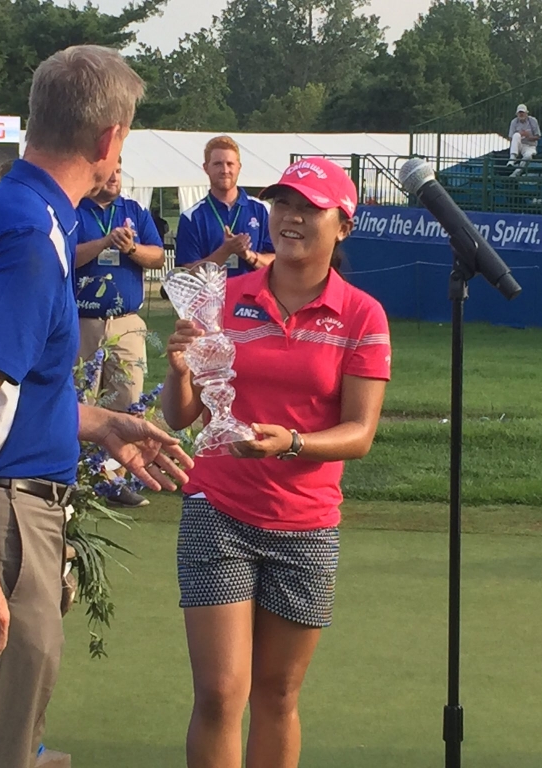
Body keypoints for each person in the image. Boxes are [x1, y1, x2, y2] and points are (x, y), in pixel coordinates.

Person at [0, 45, 193, 768]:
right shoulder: (32, 234)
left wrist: (95, 422)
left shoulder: (0, 208)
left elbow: (2, 388)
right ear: (108, 140)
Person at [161, 157, 391, 768]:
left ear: (342, 224)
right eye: (281, 204)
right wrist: (178, 366)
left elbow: (360, 433)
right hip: (220, 507)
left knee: (279, 696)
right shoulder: (225, 297)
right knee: (218, 694)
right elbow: (182, 416)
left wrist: (291, 442)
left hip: (306, 522)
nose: (288, 217)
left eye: (306, 207)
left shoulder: (363, 315)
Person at [75, 157, 166, 508]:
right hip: (83, 321)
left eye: (118, 170)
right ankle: (79, 479)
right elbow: (67, 256)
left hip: (126, 321)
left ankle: (114, 480)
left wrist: (129, 248)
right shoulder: (75, 208)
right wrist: (104, 243)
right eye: (108, 170)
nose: (114, 177)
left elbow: (158, 256)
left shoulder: (135, 211)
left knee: (128, 399)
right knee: (81, 402)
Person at [176, 135, 275, 278]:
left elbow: (279, 262)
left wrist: (249, 255)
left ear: (239, 167)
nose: (225, 170)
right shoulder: (192, 217)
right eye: (217, 164)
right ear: (206, 168)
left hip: (253, 299)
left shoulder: (262, 210)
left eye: (230, 164)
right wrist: (225, 251)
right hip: (212, 299)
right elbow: (189, 273)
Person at [507, 104, 541, 177]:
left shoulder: (533, 121)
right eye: (519, 112)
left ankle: (517, 172)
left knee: (528, 156)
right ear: (517, 114)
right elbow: (510, 138)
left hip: (530, 145)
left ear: (526, 113)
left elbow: (538, 136)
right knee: (516, 135)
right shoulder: (513, 122)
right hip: (519, 145)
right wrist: (520, 134)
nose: (521, 114)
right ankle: (512, 159)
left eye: (522, 112)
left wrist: (528, 136)